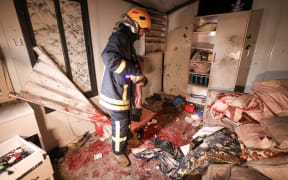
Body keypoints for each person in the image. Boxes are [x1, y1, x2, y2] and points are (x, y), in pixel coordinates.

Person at [100, 7, 151, 167]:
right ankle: (118, 152)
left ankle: (125, 136)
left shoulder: (127, 41)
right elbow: (109, 58)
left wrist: (137, 77)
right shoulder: (120, 37)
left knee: (126, 119)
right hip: (116, 94)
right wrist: (135, 71)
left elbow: (125, 69)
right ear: (136, 25)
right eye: (143, 30)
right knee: (119, 124)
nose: (143, 34)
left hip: (122, 92)